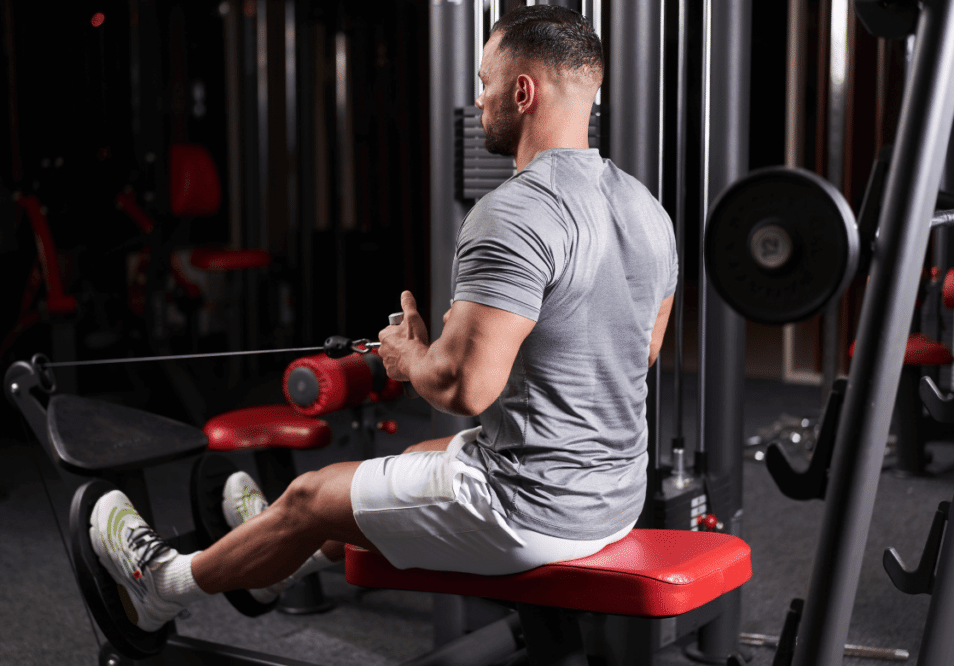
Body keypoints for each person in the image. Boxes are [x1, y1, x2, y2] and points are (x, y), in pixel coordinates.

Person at [89, 4, 677, 633]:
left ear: (523, 91)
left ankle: (162, 587)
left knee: (310, 495)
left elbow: (462, 390)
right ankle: (278, 558)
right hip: (617, 495)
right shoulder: (645, 208)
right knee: (421, 458)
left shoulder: (514, 214)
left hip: (531, 512)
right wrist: (505, 341)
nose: (479, 100)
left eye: (484, 82)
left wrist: (410, 358)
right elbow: (637, 352)